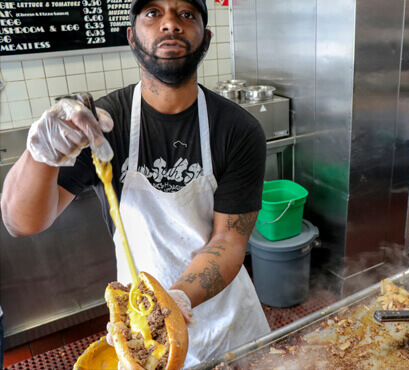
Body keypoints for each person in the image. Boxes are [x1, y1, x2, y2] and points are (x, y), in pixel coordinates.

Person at [1, 0, 270, 366]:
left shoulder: (237, 129)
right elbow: (21, 223)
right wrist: (42, 154)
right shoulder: (100, 127)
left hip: (229, 326)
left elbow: (229, 239)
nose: (170, 24)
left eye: (186, 14)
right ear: (131, 36)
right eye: (153, 13)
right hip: (144, 330)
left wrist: (174, 302)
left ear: (205, 39)